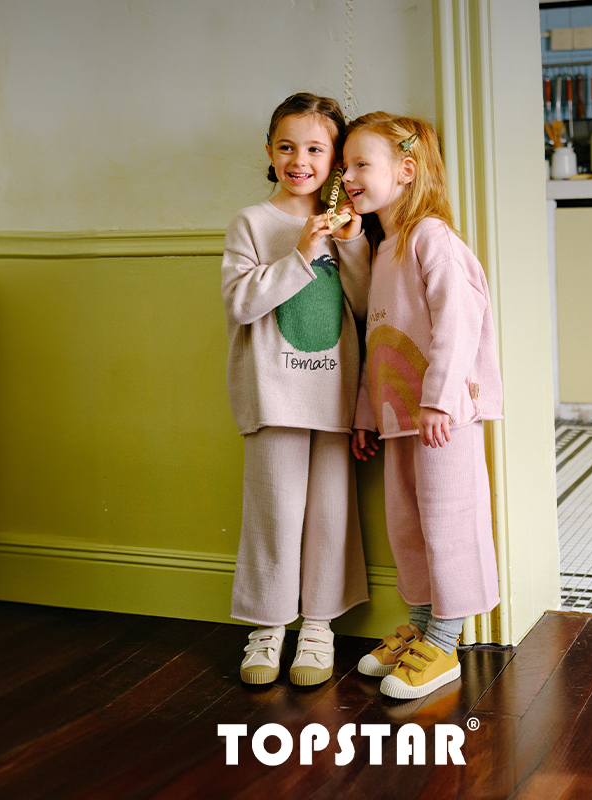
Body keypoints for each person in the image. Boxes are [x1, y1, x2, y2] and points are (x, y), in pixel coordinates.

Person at [343, 112, 503, 700]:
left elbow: (459, 325)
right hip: (398, 416)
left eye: (361, 164)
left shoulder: (433, 239)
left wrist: (438, 401)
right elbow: (378, 341)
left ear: (406, 171)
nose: (347, 177)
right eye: (345, 166)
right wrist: (367, 414)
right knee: (407, 524)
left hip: (442, 417)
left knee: (448, 520)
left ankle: (444, 643)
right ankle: (418, 627)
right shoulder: (384, 249)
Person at [221, 93, 370, 687]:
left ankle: (318, 626)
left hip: (334, 395)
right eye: (286, 147)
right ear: (269, 151)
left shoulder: (350, 227)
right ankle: (267, 627)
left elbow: (364, 305)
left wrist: (350, 244)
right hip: (273, 394)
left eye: (314, 148)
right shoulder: (252, 223)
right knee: (273, 513)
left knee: (332, 514)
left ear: (335, 160)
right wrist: (302, 252)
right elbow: (240, 303)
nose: (299, 160)